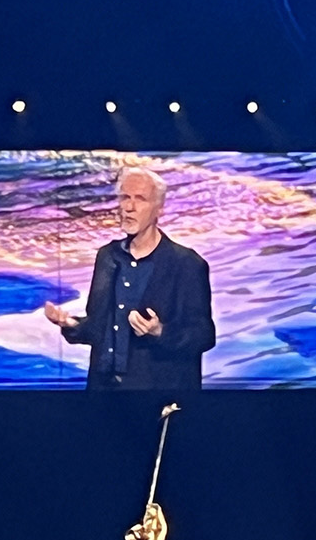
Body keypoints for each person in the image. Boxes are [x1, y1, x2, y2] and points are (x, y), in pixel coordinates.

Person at [46, 165, 216, 390]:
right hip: (103, 393)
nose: (129, 207)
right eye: (124, 198)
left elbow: (203, 335)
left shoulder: (186, 264)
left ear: (159, 209)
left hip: (156, 394)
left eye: (140, 199)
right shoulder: (107, 257)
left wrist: (159, 331)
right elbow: (101, 327)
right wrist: (68, 323)